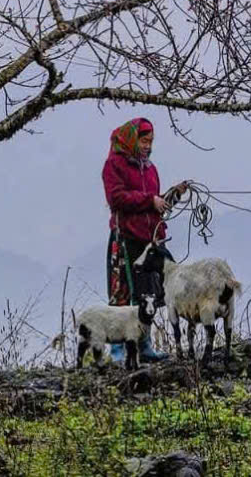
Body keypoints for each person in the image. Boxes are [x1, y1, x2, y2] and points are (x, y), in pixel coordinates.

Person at [102, 117, 188, 364]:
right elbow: (116, 198)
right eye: (144, 140)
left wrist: (172, 196)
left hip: (149, 240)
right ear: (131, 139)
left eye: (151, 141)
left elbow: (155, 202)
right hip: (125, 237)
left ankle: (144, 345)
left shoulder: (150, 169)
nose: (148, 146)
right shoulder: (114, 165)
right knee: (122, 293)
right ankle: (118, 348)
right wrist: (150, 201)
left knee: (147, 294)